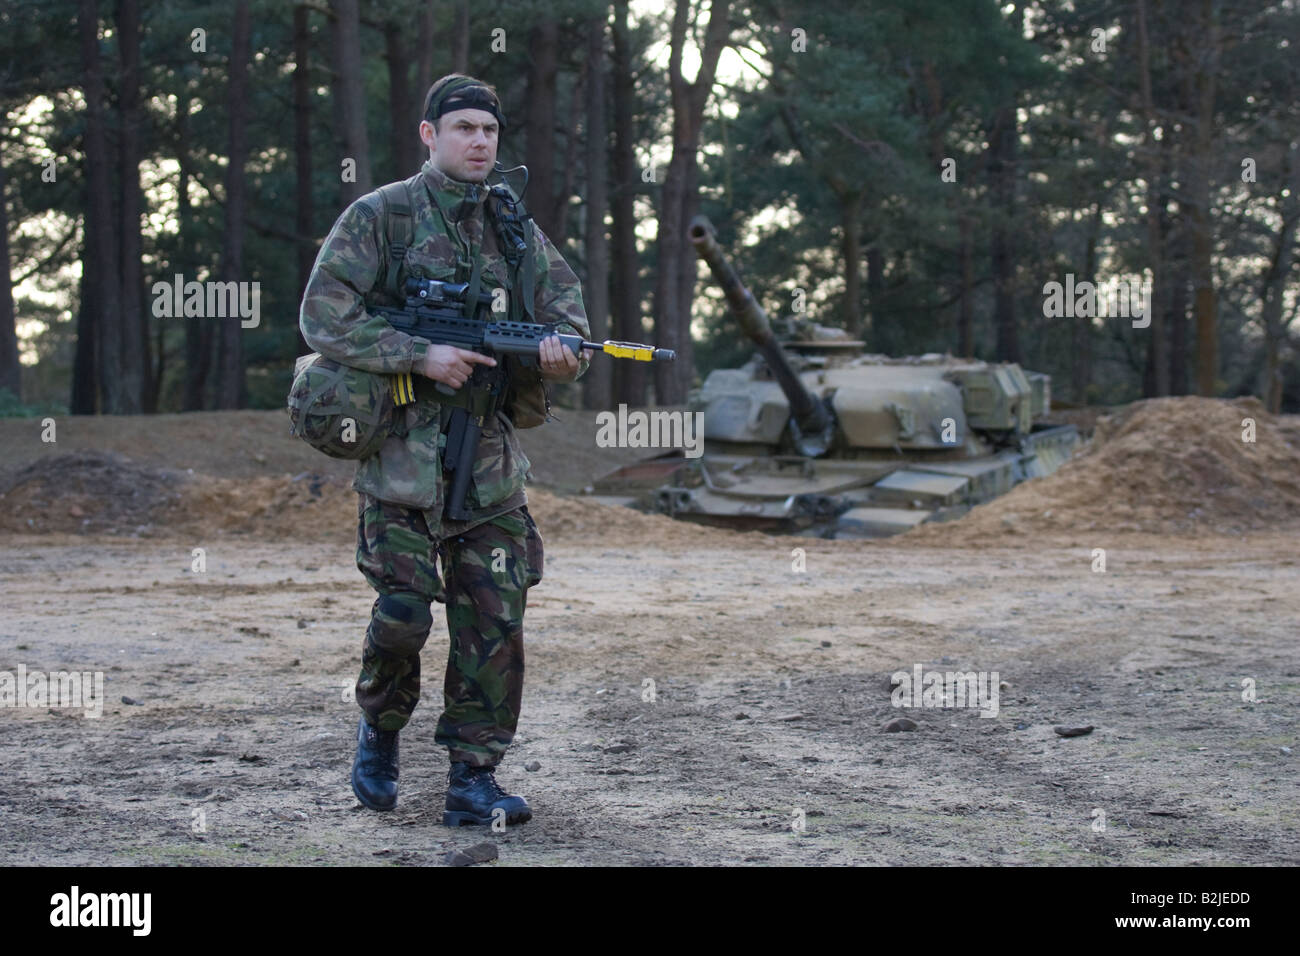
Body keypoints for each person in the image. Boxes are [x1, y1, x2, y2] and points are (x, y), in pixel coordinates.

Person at [298, 74, 591, 826]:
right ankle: (380, 728)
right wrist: (415, 353)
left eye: (489, 131)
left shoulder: (516, 230)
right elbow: (323, 315)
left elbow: (567, 319)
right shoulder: (382, 216)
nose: (479, 142)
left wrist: (562, 354)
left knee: (494, 621)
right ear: (429, 135)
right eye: (463, 128)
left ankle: (473, 778)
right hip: (400, 459)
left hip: (489, 467)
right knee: (402, 615)